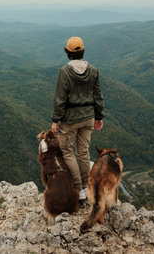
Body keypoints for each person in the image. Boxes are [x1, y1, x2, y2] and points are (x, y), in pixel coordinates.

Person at [51, 36, 104, 200]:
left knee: (67, 152)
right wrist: (99, 116)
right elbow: (98, 95)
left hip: (70, 119)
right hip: (88, 116)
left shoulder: (65, 71)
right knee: (83, 152)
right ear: (83, 51)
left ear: (67, 53)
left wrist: (55, 120)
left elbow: (60, 97)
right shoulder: (93, 70)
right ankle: (86, 186)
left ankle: (78, 188)